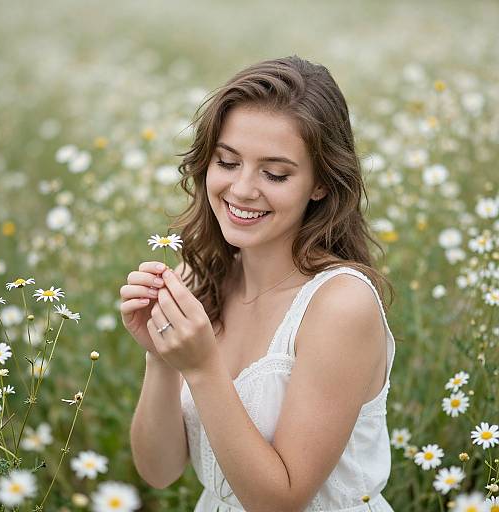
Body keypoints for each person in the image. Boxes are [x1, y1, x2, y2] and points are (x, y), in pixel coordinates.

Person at [121, 55, 397, 511]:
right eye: (227, 162)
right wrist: (161, 357)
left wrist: (203, 366)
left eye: (275, 173)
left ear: (321, 184)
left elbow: (280, 503)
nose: (243, 189)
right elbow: (159, 471)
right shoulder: (203, 280)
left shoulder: (340, 304)